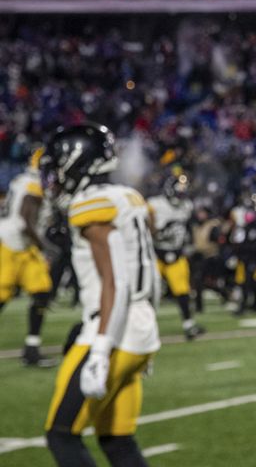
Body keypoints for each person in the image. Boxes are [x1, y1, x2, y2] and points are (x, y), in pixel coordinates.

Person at [40, 124, 160, 467]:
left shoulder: (90, 204)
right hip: (139, 329)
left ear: (77, 162)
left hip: (110, 330)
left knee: (61, 435)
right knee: (118, 441)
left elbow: (116, 281)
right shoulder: (128, 197)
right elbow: (148, 273)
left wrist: (101, 350)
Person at [0, 146, 55, 366]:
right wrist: (45, 246)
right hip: (13, 245)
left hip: (18, 244)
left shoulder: (21, 180)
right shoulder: (33, 185)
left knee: (41, 291)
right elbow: (25, 222)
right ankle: (31, 349)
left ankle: (31, 349)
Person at [147, 173, 204, 339]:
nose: (181, 195)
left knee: (183, 291)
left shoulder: (186, 206)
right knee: (149, 292)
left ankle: (189, 324)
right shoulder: (154, 205)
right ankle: (144, 328)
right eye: (178, 191)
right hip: (156, 253)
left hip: (176, 254)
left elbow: (188, 228)